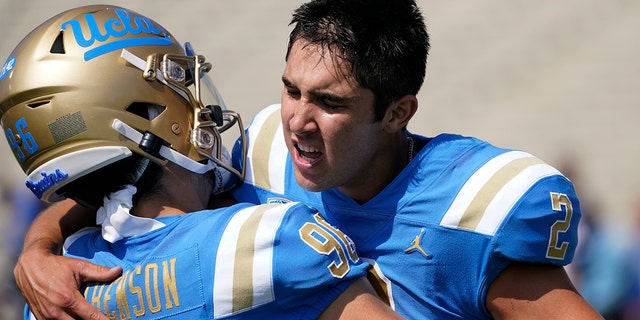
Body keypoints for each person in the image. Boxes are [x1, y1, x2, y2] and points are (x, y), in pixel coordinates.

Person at [10, 0, 604, 319]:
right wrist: (36, 253)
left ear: (398, 112)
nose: (297, 119)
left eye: (328, 102)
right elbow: (122, 175)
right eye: (291, 88)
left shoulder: (467, 209)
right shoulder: (261, 152)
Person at [0, 5, 401, 320]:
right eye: (181, 84)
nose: (200, 105)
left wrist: (35, 249)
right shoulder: (269, 240)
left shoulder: (55, 286)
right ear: (149, 116)